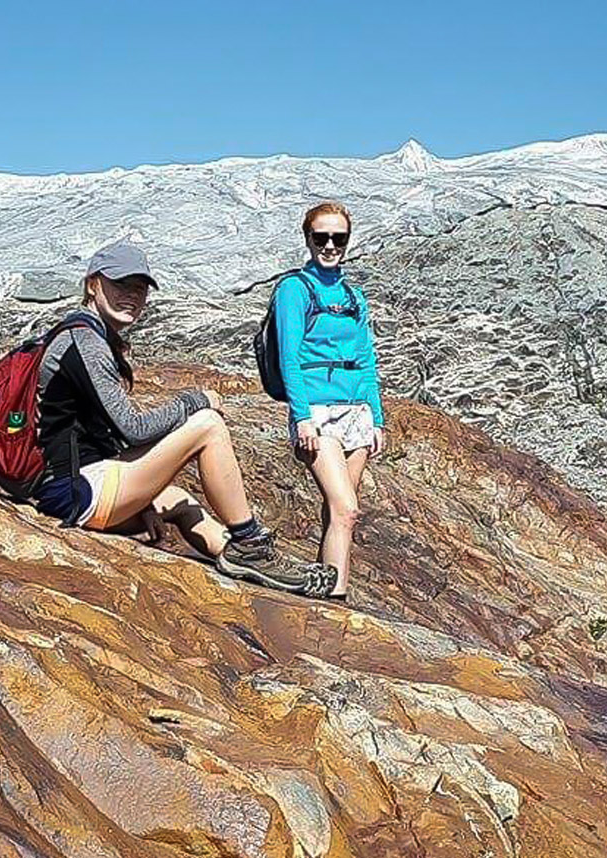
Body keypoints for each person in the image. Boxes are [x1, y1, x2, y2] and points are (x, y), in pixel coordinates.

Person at [33, 240, 333, 596]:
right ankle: (250, 543)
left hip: (79, 482)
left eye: (139, 288)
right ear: (93, 284)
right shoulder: (86, 343)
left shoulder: (89, 335)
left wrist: (140, 500)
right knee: (208, 425)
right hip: (76, 492)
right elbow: (132, 429)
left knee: (180, 501)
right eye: (120, 284)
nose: (132, 295)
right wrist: (194, 400)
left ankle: (249, 563)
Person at [275, 201, 385, 600]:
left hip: (356, 411)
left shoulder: (354, 296)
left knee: (340, 511)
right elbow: (289, 356)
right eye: (321, 237)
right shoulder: (293, 289)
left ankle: (324, 589)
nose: (329, 245)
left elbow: (367, 357)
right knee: (347, 509)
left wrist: (377, 417)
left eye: (338, 238)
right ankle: (336, 598)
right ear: (307, 239)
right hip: (319, 413)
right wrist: (301, 416)